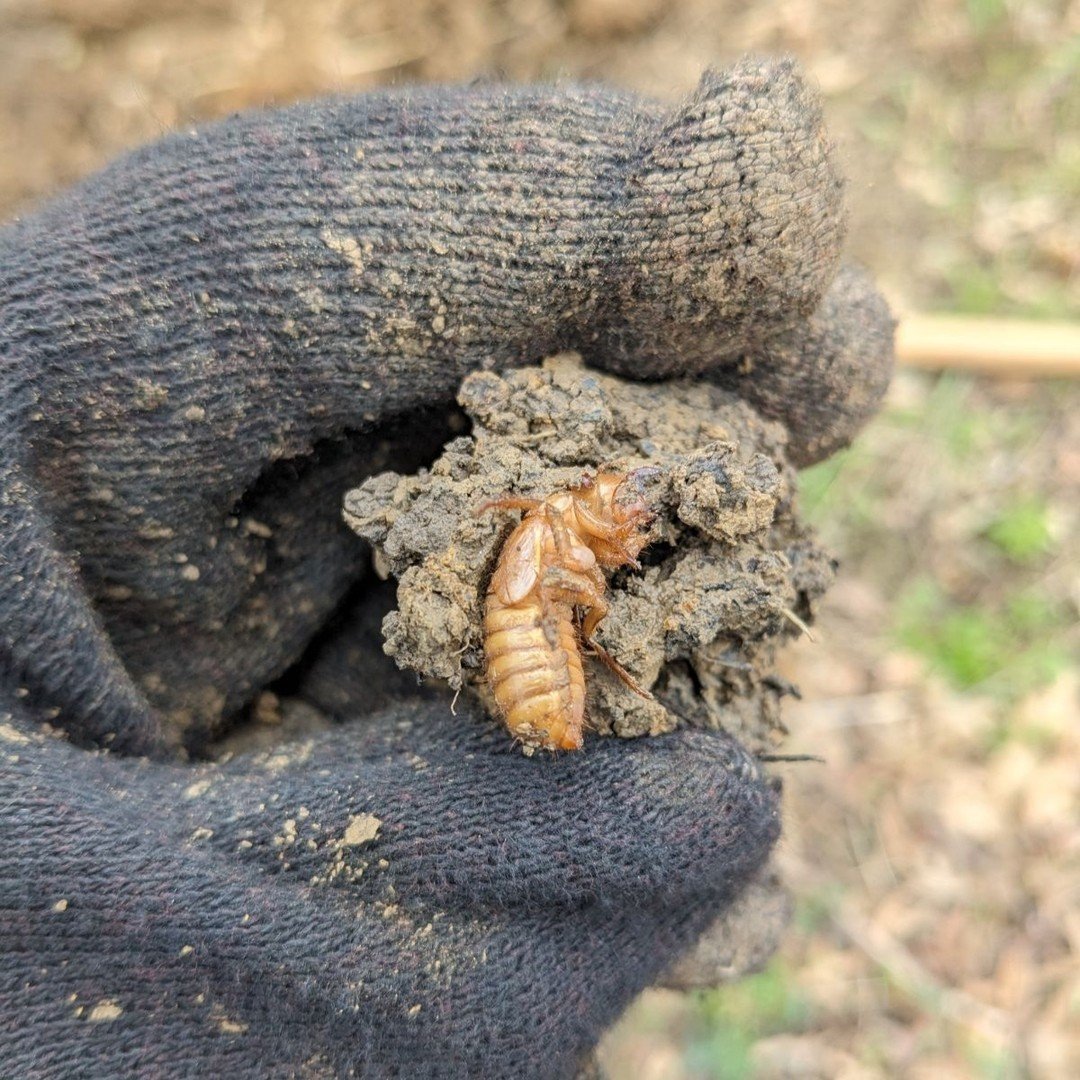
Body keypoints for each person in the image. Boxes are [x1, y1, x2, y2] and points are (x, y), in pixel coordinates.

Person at [0, 59, 892, 1078]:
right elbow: (573, 583)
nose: (637, 515)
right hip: (536, 663)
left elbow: (576, 580)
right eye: (628, 504)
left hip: (540, 649)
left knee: (564, 611)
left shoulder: (559, 542)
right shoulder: (557, 543)